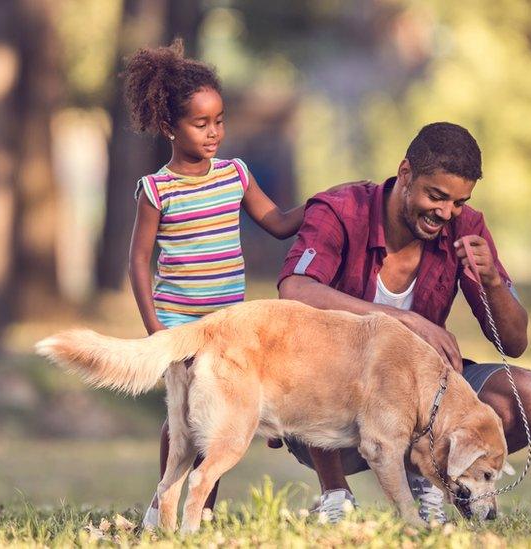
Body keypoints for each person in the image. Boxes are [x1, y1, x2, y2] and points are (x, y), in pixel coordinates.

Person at [121, 39, 359, 529]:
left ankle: (200, 509)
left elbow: (277, 221)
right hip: (181, 322)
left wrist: (325, 203)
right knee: (182, 417)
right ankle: (163, 501)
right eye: (200, 123)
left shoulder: (235, 174)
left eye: (219, 121)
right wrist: (155, 328)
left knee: (218, 417)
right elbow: (138, 261)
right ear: (169, 127)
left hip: (231, 324)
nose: (214, 133)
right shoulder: (156, 189)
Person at [277, 122, 531, 524]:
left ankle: (432, 474)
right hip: (328, 406)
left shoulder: (466, 226)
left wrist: (492, 280)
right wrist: (405, 321)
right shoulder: (341, 210)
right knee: (334, 369)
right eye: (437, 196)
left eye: (458, 202)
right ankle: (335, 493)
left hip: (424, 399)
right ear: (406, 174)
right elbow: (294, 290)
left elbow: (515, 341)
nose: (446, 213)